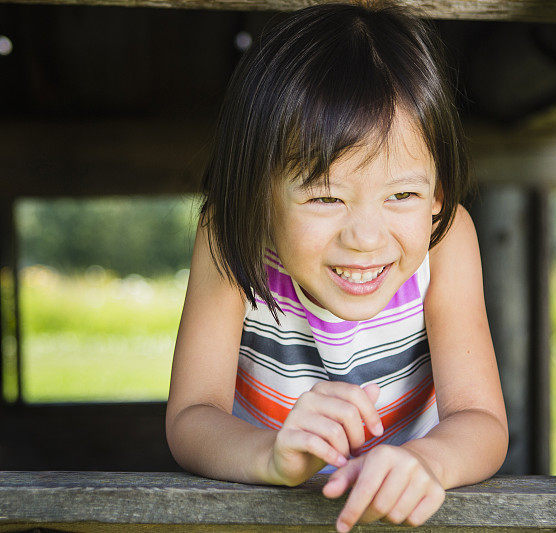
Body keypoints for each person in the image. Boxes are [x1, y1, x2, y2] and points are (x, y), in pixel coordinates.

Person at [165, 2, 508, 531]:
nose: (365, 238)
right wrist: (270, 456)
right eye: (326, 198)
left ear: (437, 193)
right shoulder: (229, 235)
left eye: (403, 194)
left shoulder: (447, 241)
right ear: (258, 194)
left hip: (407, 513)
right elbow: (192, 418)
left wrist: (423, 464)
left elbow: (480, 421)